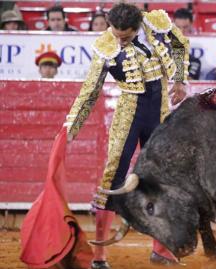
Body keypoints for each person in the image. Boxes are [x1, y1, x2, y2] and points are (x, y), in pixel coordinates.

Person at [62, 3, 189, 269]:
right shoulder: (105, 45)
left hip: (161, 106)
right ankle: (99, 257)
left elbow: (179, 43)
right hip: (130, 110)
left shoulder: (155, 22)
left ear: (137, 27)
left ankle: (161, 251)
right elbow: (90, 91)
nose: (120, 41)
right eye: (116, 34)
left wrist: (180, 80)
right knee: (113, 177)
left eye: (126, 37)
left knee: (163, 178)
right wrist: (71, 127)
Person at [173, 8, 201, 80]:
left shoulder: (195, 61)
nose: (181, 31)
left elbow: (190, 80)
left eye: (185, 27)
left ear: (191, 24)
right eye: (178, 27)